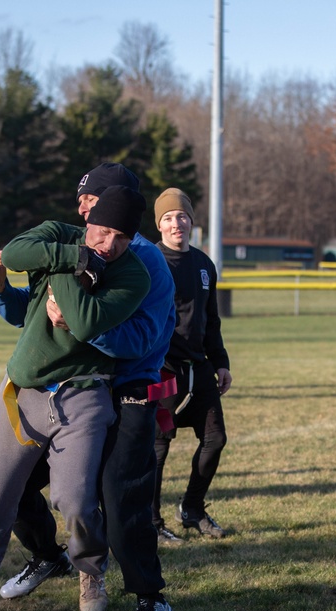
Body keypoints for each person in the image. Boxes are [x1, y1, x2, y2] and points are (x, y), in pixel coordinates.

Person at [0, 185, 151, 611]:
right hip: (24, 392)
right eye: (102, 231)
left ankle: (90, 571)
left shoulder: (135, 275)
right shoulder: (63, 237)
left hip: (84, 394)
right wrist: (73, 259)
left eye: (121, 236)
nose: (109, 244)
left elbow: (84, 321)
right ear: (88, 219)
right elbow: (16, 253)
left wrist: (57, 265)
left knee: (75, 499)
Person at [0, 162, 177, 611]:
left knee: (118, 493)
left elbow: (140, 341)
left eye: (94, 201)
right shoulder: (77, 246)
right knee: (16, 482)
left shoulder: (142, 261)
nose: (84, 210)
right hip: (75, 387)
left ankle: (151, 598)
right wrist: (1, 295)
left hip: (129, 386)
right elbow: (36, 320)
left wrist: (85, 331)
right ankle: (49, 557)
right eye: (84, 201)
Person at [152, 189, 232, 538]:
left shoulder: (203, 264)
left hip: (199, 368)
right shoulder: (150, 261)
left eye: (181, 216)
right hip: (163, 368)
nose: (176, 223)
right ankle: (151, 522)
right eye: (168, 218)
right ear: (159, 225)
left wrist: (221, 362)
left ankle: (192, 508)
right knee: (158, 445)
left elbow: (210, 319)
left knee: (215, 439)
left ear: (191, 221)